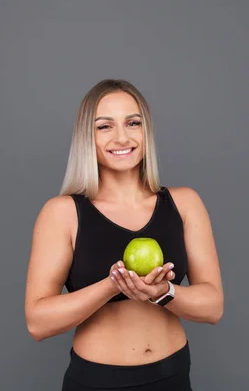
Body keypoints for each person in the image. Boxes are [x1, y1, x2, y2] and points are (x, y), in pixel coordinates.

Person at [24, 79, 224, 390]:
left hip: (171, 375)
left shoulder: (185, 203)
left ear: (146, 131)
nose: (122, 137)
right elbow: (37, 322)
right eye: (104, 126)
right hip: (97, 381)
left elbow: (213, 307)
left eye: (133, 122)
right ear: (86, 137)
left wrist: (163, 292)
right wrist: (112, 284)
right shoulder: (61, 212)